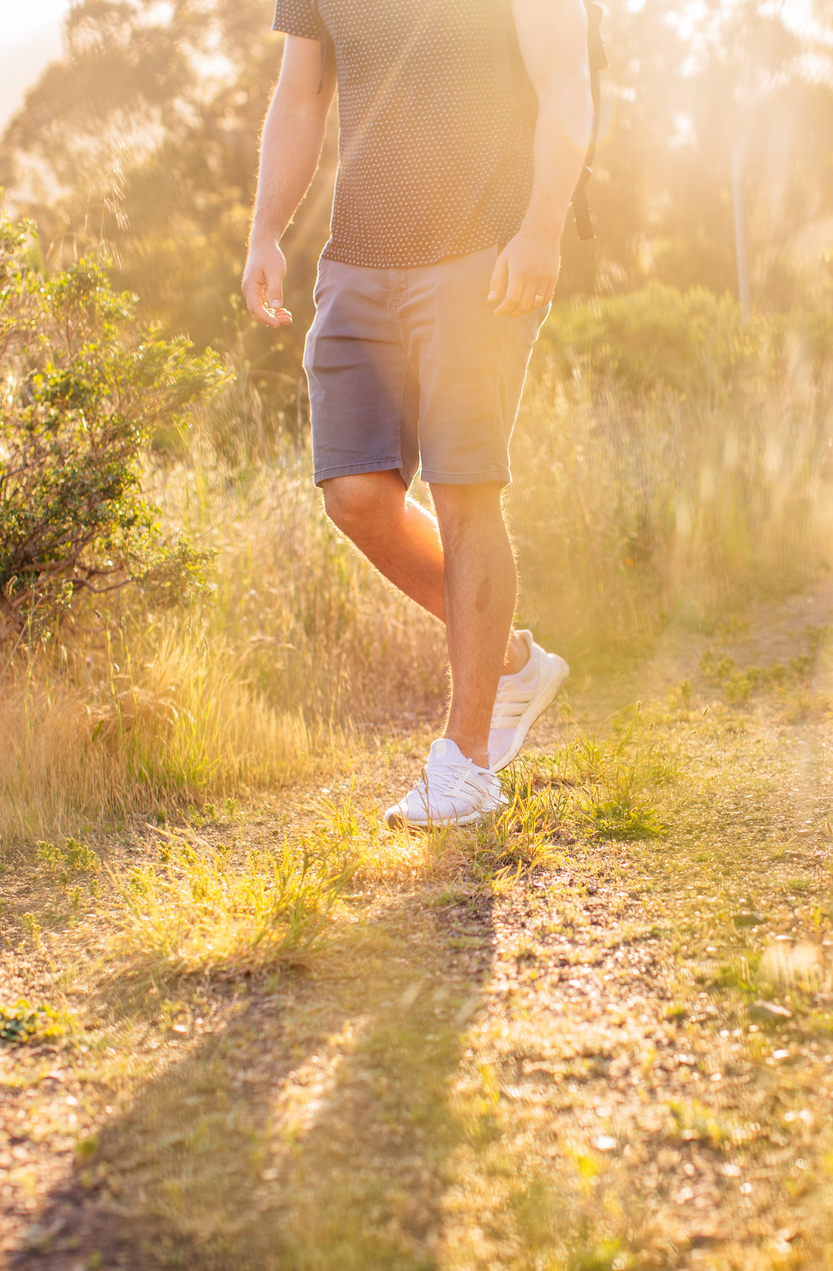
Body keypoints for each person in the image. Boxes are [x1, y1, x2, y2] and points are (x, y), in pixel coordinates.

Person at [241, 0, 591, 828]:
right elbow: (299, 97)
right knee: (354, 494)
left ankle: (465, 769)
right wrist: (265, 231)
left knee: (466, 489)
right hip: (359, 256)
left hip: (482, 251)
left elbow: (567, 78)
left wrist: (541, 230)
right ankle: (509, 661)